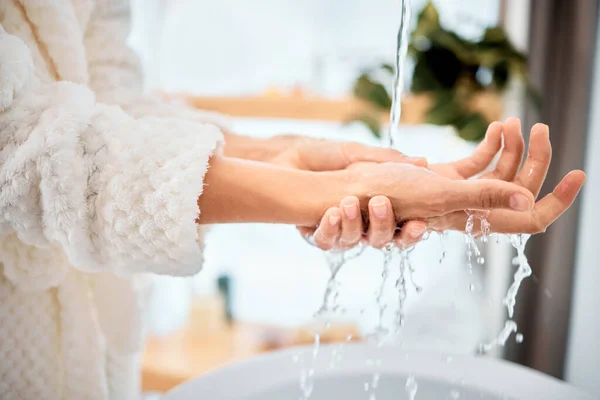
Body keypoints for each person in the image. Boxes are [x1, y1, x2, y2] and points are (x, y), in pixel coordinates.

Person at [0, 1, 585, 399]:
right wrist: (326, 190)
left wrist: (293, 156)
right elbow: (18, 144)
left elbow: (110, 105)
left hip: (85, 342)